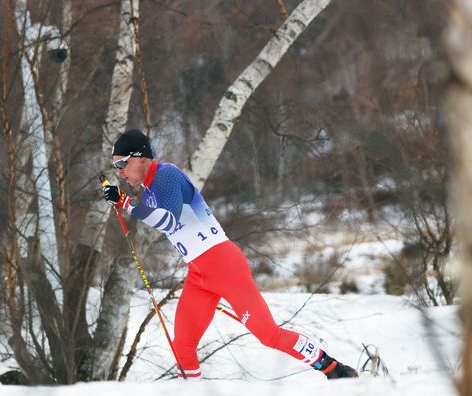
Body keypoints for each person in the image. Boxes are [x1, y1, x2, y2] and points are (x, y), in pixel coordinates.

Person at [102, 129, 359, 380]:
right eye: (116, 167)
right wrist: (126, 203)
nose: (120, 171)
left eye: (123, 163)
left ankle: (332, 367)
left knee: (268, 335)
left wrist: (125, 202)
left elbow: (167, 221)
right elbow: (151, 216)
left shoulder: (166, 175)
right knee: (183, 345)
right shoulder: (148, 191)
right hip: (199, 274)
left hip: (224, 265)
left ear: (141, 157)